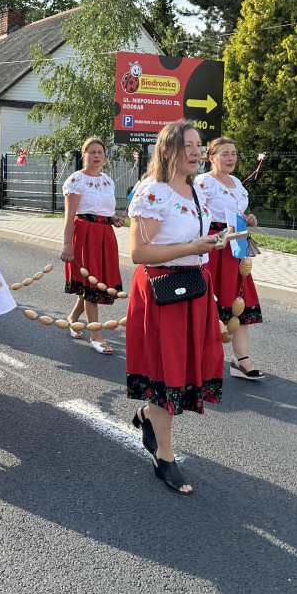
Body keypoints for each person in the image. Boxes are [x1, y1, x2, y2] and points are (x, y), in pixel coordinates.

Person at [125, 120, 224, 495]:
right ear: (168, 150)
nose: (197, 152)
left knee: (179, 372)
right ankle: (164, 457)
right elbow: (138, 252)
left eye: (199, 145)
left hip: (194, 288)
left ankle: (148, 415)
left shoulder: (196, 188)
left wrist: (211, 242)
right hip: (162, 289)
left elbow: (187, 237)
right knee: (165, 375)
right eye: (189, 145)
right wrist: (192, 248)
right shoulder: (153, 191)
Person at [195, 137, 264, 380]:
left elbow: (237, 213)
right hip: (216, 246)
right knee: (209, 303)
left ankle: (240, 359)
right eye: (225, 154)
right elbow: (198, 216)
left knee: (239, 300)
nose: (231, 158)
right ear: (211, 157)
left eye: (233, 153)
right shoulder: (203, 182)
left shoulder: (236, 182)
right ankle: (203, 359)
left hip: (237, 246)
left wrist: (248, 219)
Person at [60, 137, 125, 354]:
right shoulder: (76, 180)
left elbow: (104, 210)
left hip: (104, 235)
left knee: (93, 284)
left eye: (100, 152)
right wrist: (67, 245)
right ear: (83, 155)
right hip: (84, 234)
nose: (96, 155)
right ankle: (95, 335)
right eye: (92, 152)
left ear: (104, 156)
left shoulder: (108, 180)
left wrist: (113, 219)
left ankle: (72, 319)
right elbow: (70, 217)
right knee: (91, 285)